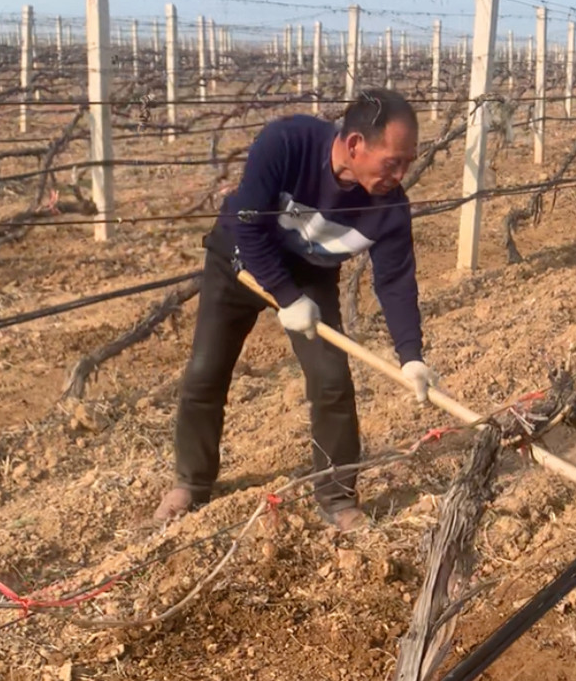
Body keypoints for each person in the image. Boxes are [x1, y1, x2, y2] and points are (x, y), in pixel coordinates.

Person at [155, 88, 443, 531]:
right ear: (355, 145)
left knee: (331, 380)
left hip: (310, 274)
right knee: (206, 371)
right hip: (239, 261)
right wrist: (286, 295)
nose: (401, 174)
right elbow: (249, 226)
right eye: (393, 162)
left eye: (408, 162)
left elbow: (395, 283)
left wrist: (411, 356)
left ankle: (337, 497)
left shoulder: (389, 207)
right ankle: (191, 483)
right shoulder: (287, 143)